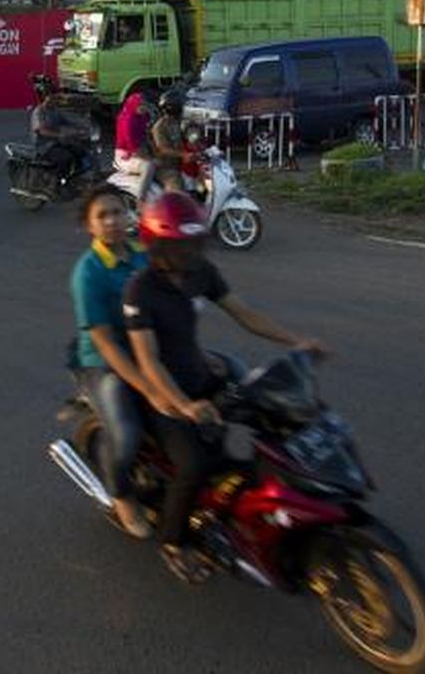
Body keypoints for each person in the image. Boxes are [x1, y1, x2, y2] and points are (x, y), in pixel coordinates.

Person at [123, 192, 326, 583]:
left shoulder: (201, 271)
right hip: (162, 394)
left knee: (271, 414)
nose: (189, 252)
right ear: (158, 245)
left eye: (193, 243)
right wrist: (184, 405)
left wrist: (296, 341)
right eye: (180, 245)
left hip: (201, 374)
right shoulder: (141, 289)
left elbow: (245, 314)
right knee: (195, 465)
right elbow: (149, 362)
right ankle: (173, 542)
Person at [69, 185, 167, 539]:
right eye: (102, 215)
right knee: (126, 434)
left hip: (146, 348)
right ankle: (122, 497)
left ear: (129, 215)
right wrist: (147, 385)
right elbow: (106, 344)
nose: (112, 220)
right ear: (89, 226)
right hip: (103, 364)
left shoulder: (142, 255)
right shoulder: (88, 273)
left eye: (117, 211)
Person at [31, 74, 88, 184]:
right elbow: (41, 130)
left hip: (57, 143)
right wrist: (59, 135)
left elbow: (68, 121)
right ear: (45, 98)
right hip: (44, 147)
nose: (54, 100)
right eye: (52, 98)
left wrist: (82, 128)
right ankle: (55, 182)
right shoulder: (39, 112)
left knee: (80, 151)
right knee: (65, 158)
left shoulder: (55, 110)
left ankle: (74, 179)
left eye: (56, 97)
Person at [150, 91, 189, 191]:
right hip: (165, 167)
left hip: (180, 164)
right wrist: (184, 155)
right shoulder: (159, 127)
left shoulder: (178, 122)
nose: (182, 107)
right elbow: (163, 149)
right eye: (179, 105)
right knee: (176, 185)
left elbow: (187, 139)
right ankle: (175, 205)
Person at [114, 89, 155, 177]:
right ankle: (141, 190)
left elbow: (147, 133)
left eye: (144, 105)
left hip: (140, 148)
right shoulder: (127, 120)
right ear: (133, 105)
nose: (143, 107)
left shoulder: (142, 116)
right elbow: (130, 143)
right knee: (149, 166)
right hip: (126, 153)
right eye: (140, 105)